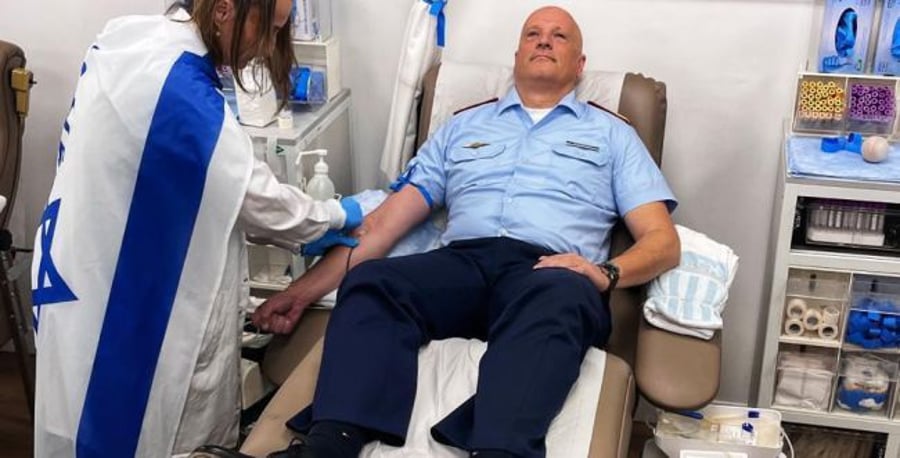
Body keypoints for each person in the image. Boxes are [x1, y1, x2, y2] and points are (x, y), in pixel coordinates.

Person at [253, 6, 680, 458]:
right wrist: (299, 293)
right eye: (533, 33)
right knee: (374, 280)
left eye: (559, 36)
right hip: (462, 264)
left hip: (547, 271)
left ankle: (501, 449)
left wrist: (605, 273)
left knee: (564, 296)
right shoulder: (462, 126)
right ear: (517, 55)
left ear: (580, 64)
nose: (543, 41)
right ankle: (331, 444)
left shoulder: (612, 136)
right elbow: (382, 224)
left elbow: (662, 241)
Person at [29, 0, 361, 456]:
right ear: (225, 9)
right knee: (146, 430)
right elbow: (253, 197)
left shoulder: (126, 40)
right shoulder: (178, 88)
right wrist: (338, 216)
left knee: (80, 423)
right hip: (125, 304)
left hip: (80, 269)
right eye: (265, 29)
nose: (266, 48)